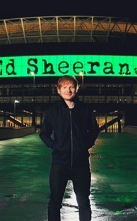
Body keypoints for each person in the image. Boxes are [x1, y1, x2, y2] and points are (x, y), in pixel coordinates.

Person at [39, 75, 100, 221]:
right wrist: (55, 146)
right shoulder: (53, 111)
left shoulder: (85, 109)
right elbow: (44, 133)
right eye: (64, 87)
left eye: (71, 87)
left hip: (81, 164)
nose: (68, 90)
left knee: (84, 202)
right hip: (60, 164)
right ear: (58, 90)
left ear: (76, 88)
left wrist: (86, 145)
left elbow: (94, 129)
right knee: (55, 202)